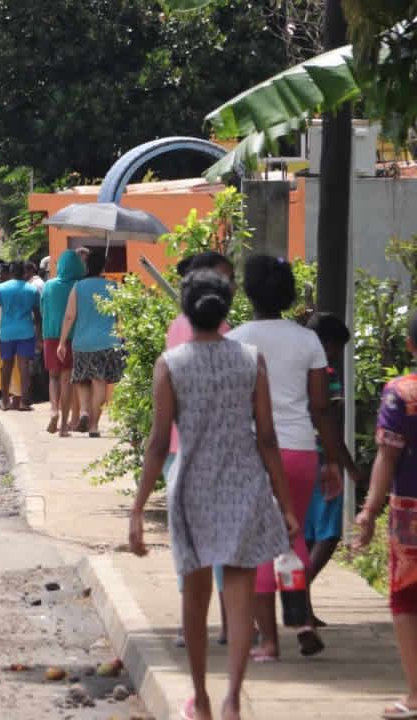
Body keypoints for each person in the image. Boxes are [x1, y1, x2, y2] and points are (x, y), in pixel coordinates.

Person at [129, 268, 298, 720]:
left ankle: (200, 699)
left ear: (187, 309)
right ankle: (232, 701)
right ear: (227, 309)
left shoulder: (171, 364)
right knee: (240, 602)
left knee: (195, 599)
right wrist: (284, 503)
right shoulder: (250, 359)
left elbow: (159, 442)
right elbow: (266, 437)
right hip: (244, 483)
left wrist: (138, 508)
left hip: (192, 488)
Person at [227, 254, 341, 661]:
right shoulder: (307, 339)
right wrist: (331, 462)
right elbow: (321, 407)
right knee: (293, 536)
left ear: (247, 292)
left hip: (252, 452)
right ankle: (303, 621)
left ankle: (270, 641)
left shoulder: (236, 339)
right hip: (301, 451)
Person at [165, 251, 236, 648]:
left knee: (189, 546)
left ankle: (187, 626)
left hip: (180, 451)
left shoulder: (177, 329)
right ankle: (227, 624)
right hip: (217, 451)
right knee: (223, 543)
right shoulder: (231, 337)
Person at [356, 312, 417, 720]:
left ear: (410, 345)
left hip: (410, 512)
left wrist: (369, 511)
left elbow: (387, 455)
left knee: (407, 602)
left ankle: (415, 697)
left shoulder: (401, 393)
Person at [304, 312, 362, 629]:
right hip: (323, 460)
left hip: (296, 456)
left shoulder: (297, 371)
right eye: (337, 348)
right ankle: (299, 593)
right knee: (329, 534)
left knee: (308, 537)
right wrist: (349, 466)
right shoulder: (326, 373)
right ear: (326, 345)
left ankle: (305, 605)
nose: (338, 355)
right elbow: (331, 425)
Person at [59, 250, 122, 437]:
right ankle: (94, 426)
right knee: (100, 382)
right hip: (107, 342)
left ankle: (84, 411)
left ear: (87, 266)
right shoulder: (114, 287)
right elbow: (120, 316)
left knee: (82, 380)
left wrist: (62, 342)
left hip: (82, 342)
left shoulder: (78, 286)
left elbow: (70, 316)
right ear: (103, 267)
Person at [0, 261, 42, 411]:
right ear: (24, 272)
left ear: (11, 271)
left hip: (6, 333)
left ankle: (5, 400)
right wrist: (39, 337)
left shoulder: (1, 288)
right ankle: (24, 401)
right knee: (24, 367)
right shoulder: (31, 290)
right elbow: (38, 316)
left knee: (6, 366)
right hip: (26, 332)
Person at [41, 250, 83, 435]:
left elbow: (43, 310)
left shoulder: (49, 285)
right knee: (67, 380)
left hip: (50, 336)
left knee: (53, 377)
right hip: (72, 337)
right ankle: (64, 426)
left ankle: (53, 411)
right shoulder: (79, 286)